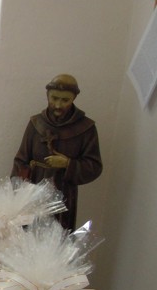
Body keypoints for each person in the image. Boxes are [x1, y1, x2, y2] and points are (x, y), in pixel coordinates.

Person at [11, 74, 102, 231]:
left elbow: (94, 166)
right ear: (47, 95)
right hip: (33, 189)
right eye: (54, 98)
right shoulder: (36, 123)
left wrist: (68, 164)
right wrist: (17, 193)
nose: (58, 105)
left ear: (74, 98)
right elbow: (21, 160)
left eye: (65, 100)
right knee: (27, 234)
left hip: (63, 194)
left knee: (57, 235)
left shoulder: (85, 128)